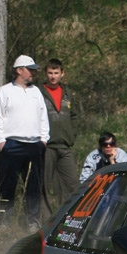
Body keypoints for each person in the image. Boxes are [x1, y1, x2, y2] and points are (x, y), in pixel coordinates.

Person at [0, 54, 50, 229]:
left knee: (33, 186)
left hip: (34, 145)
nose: (33, 73)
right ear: (19, 70)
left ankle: (32, 221)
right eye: (30, 70)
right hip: (12, 144)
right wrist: (1, 141)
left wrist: (43, 139)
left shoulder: (36, 92)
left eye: (33, 70)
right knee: (7, 185)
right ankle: (4, 222)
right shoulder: (5, 92)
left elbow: (43, 117)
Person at [39, 58, 80, 210]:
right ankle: (45, 219)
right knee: (44, 184)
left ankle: (70, 215)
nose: (53, 76)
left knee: (72, 183)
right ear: (46, 73)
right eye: (50, 73)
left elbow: (74, 116)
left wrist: (72, 135)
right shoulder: (39, 92)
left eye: (56, 73)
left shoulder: (67, 93)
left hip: (65, 145)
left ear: (62, 73)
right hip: (46, 146)